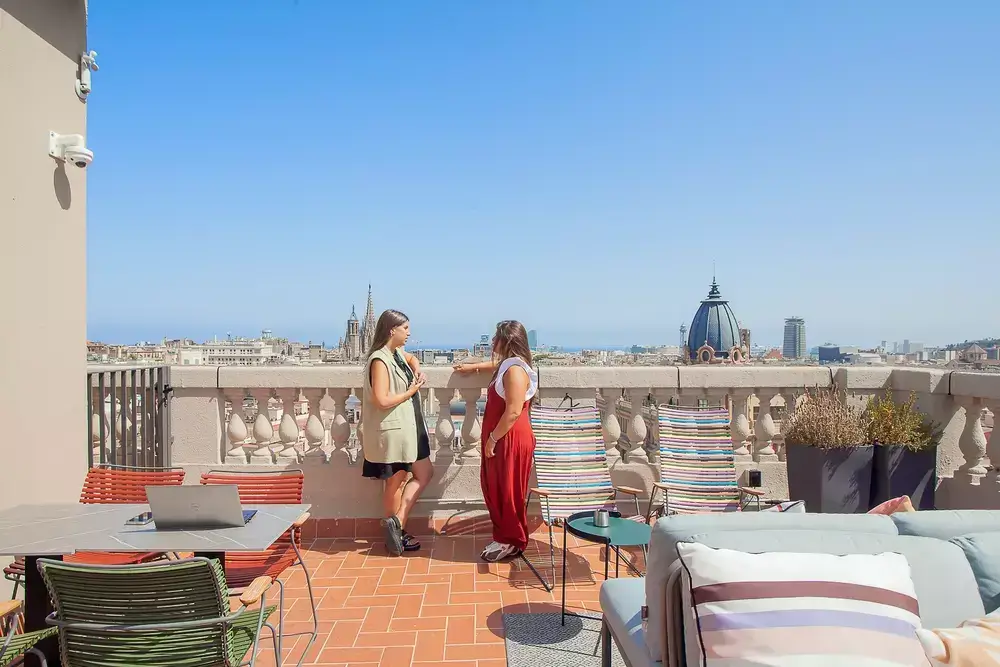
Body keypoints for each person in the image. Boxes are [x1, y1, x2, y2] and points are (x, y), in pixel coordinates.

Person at [454, 320, 538, 562]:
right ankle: (505, 536)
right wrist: (474, 367)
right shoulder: (509, 365)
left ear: (507, 341)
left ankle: (512, 540)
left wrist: (492, 438)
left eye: (496, 337)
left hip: (508, 438)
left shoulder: (515, 371)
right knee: (498, 488)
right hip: (505, 437)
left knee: (507, 491)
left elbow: (513, 411)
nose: (492, 341)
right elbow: (498, 365)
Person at [361, 309, 433, 556]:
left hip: (410, 427)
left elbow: (411, 357)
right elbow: (381, 400)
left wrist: (418, 368)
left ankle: (397, 522)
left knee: (424, 472)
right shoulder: (380, 360)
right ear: (392, 330)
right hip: (394, 430)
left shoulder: (396, 354)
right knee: (396, 481)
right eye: (405, 329)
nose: (409, 333)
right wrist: (411, 391)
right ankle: (396, 534)